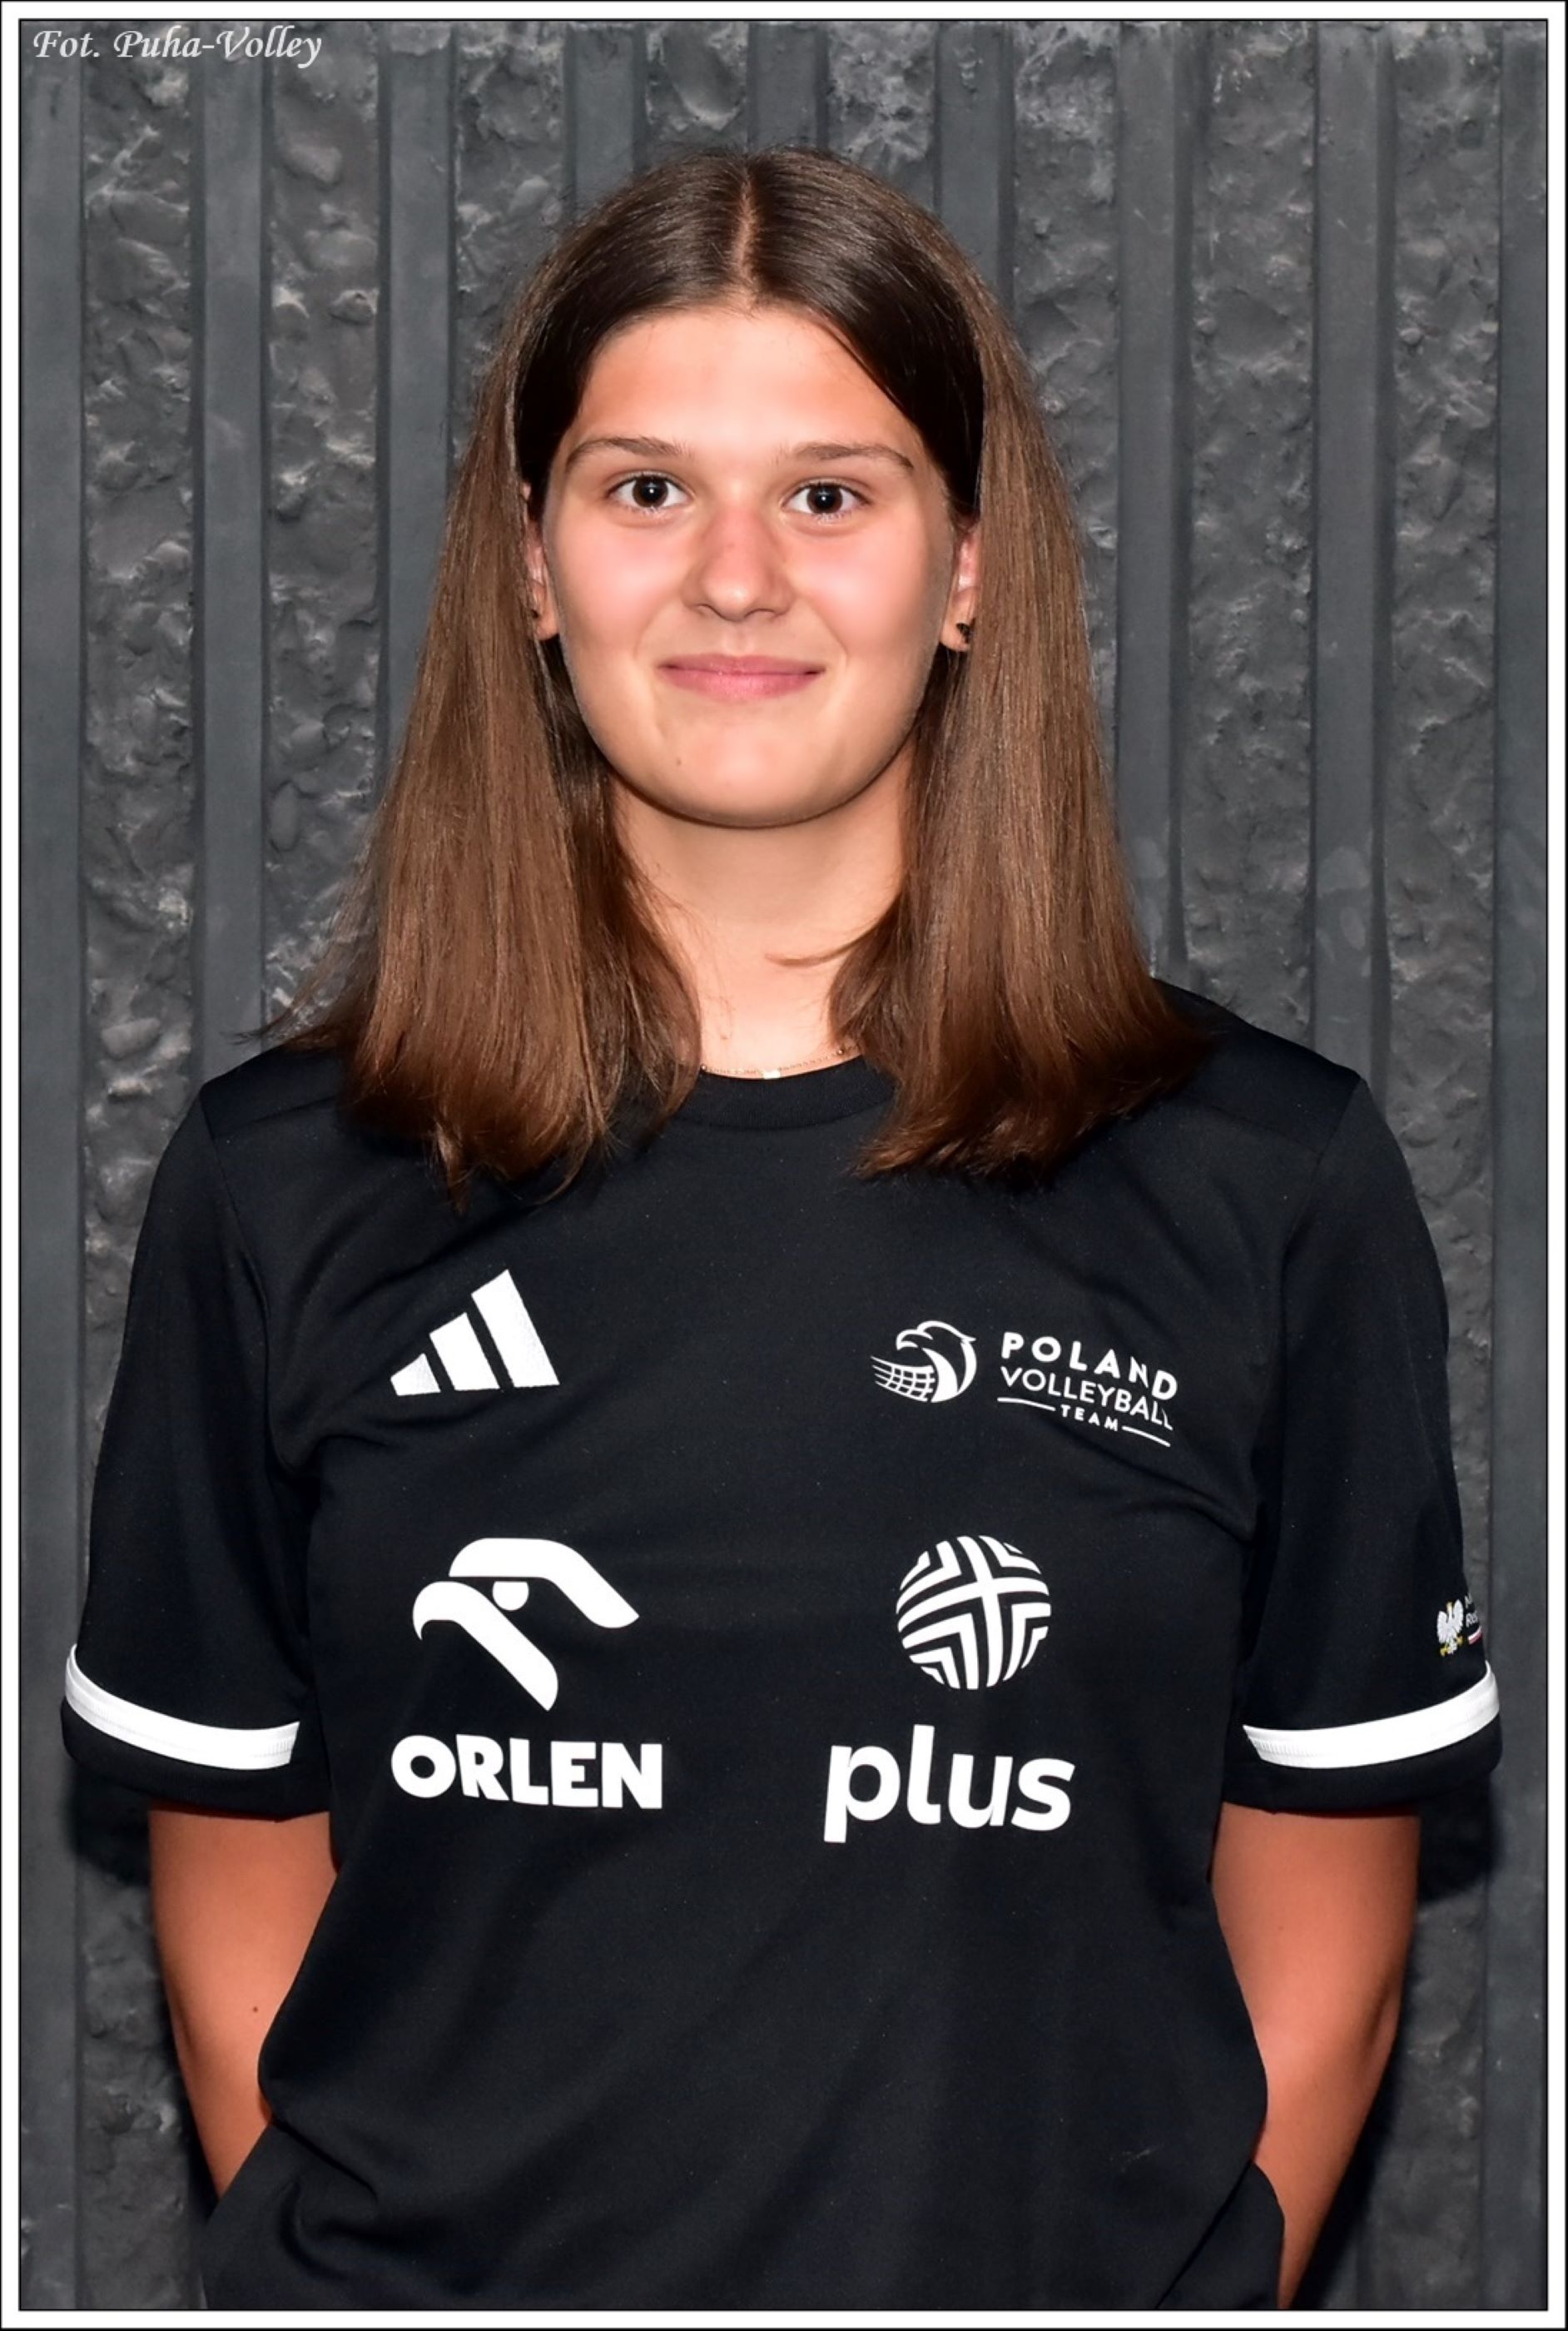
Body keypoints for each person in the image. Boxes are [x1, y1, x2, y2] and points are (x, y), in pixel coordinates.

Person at [60, 146, 1501, 2312]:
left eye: (831, 494)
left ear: (967, 568)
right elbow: (238, 1866)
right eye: (646, 490)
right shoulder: (287, 1185)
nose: (735, 578)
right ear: (531, 564)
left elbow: (1328, 1906)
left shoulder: (1261, 1179)